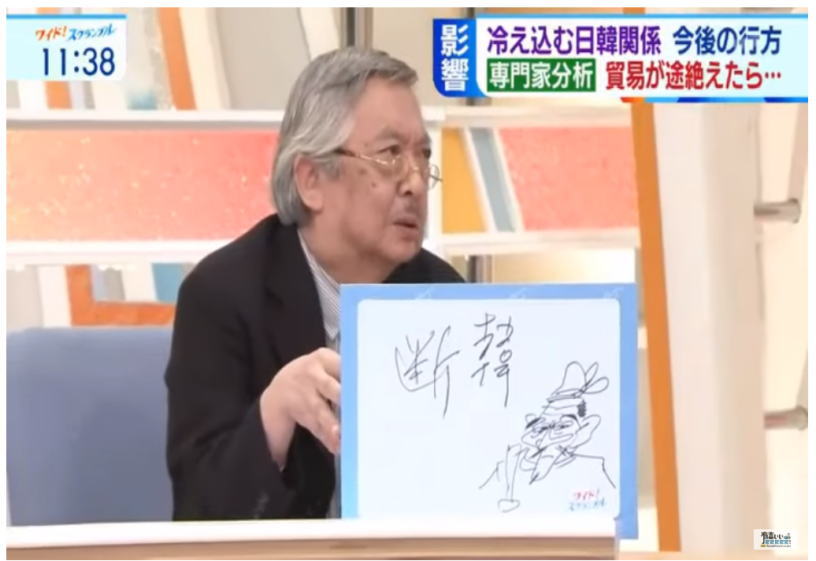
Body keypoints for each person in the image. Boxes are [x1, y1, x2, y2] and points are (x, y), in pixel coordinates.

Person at [164, 47, 464, 521]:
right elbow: (199, 512)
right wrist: (274, 414)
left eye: (422, 156)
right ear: (311, 180)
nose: (415, 183)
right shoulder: (222, 296)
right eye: (390, 154)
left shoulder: (442, 296)